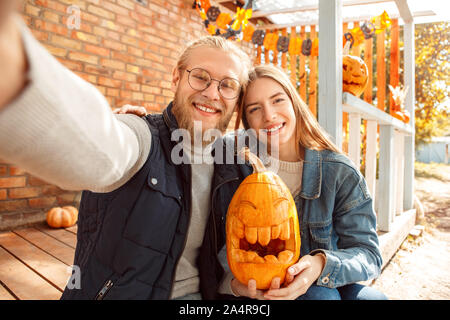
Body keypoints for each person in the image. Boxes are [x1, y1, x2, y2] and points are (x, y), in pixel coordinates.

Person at [0, 8, 252, 299]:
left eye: (227, 85)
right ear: (176, 78)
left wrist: (318, 260)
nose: (212, 93)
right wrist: (16, 74)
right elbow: (102, 147)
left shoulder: (236, 167)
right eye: (200, 77)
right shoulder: (142, 135)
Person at [117, 64, 389, 300]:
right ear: (246, 121)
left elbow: (368, 255)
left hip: (323, 277)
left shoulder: (338, 172)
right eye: (255, 109)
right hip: (259, 288)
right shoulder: (231, 160)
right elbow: (183, 139)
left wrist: (320, 264)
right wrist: (142, 127)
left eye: (278, 100)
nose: (269, 115)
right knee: (321, 296)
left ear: (294, 102)